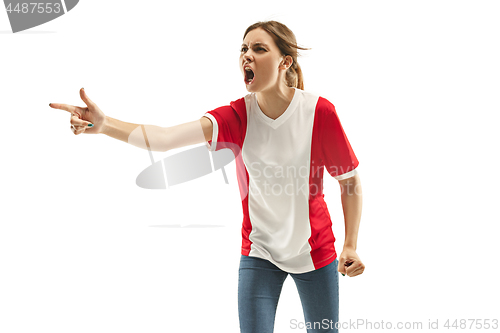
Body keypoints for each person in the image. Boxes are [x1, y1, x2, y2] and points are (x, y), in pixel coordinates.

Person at [50, 20, 365, 333]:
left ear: (285, 61)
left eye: (259, 49)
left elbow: (348, 181)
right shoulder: (237, 116)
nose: (247, 56)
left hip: (315, 251)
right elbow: (164, 138)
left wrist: (350, 245)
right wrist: (106, 125)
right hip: (260, 251)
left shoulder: (318, 113)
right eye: (243, 49)